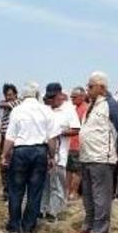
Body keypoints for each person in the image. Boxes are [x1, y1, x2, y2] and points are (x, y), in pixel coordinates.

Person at [0, 82, 59, 233]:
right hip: (40, 151)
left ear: (22, 95)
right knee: (35, 191)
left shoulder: (17, 111)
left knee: (16, 190)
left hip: (21, 151)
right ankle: (28, 227)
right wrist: (52, 156)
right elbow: (52, 138)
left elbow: (10, 137)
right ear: (37, 95)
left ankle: (14, 226)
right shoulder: (46, 111)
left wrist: (4, 154)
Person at [78, 72, 118, 233]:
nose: (88, 89)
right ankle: (89, 224)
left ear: (102, 88)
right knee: (88, 195)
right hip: (86, 157)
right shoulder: (92, 105)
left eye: (91, 86)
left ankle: (100, 229)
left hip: (102, 158)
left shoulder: (111, 105)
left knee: (101, 196)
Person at [41, 83, 81, 221]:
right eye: (49, 98)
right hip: (43, 154)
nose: (51, 100)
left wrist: (60, 133)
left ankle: (54, 212)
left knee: (58, 184)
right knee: (44, 183)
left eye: (53, 97)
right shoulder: (45, 108)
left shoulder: (69, 110)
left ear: (60, 95)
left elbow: (76, 129)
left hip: (60, 154)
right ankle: (42, 209)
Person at [0, 84, 21, 201]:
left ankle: (12, 190)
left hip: (12, 139)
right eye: (7, 95)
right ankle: (6, 191)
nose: (9, 97)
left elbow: (3, 104)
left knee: (11, 165)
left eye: (11, 95)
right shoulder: (8, 105)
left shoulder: (18, 103)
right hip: (4, 137)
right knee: (3, 166)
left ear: (16, 94)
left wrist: (5, 103)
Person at [67, 86, 89, 200]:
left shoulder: (84, 109)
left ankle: (72, 192)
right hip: (72, 144)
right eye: (71, 97)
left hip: (77, 143)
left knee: (75, 170)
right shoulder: (76, 109)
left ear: (82, 97)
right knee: (72, 170)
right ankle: (70, 192)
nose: (72, 99)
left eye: (74, 97)